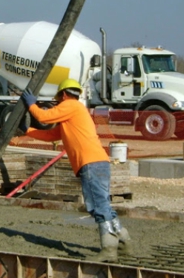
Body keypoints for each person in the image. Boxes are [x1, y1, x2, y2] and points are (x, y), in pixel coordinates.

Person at [21, 79, 132, 262]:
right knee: (104, 204)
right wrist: (28, 131)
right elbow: (51, 135)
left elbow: (43, 117)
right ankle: (124, 243)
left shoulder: (71, 105)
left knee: (97, 205)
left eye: (59, 98)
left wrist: (32, 104)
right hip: (99, 162)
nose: (58, 101)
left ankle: (109, 249)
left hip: (90, 163)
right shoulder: (72, 115)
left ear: (63, 94)